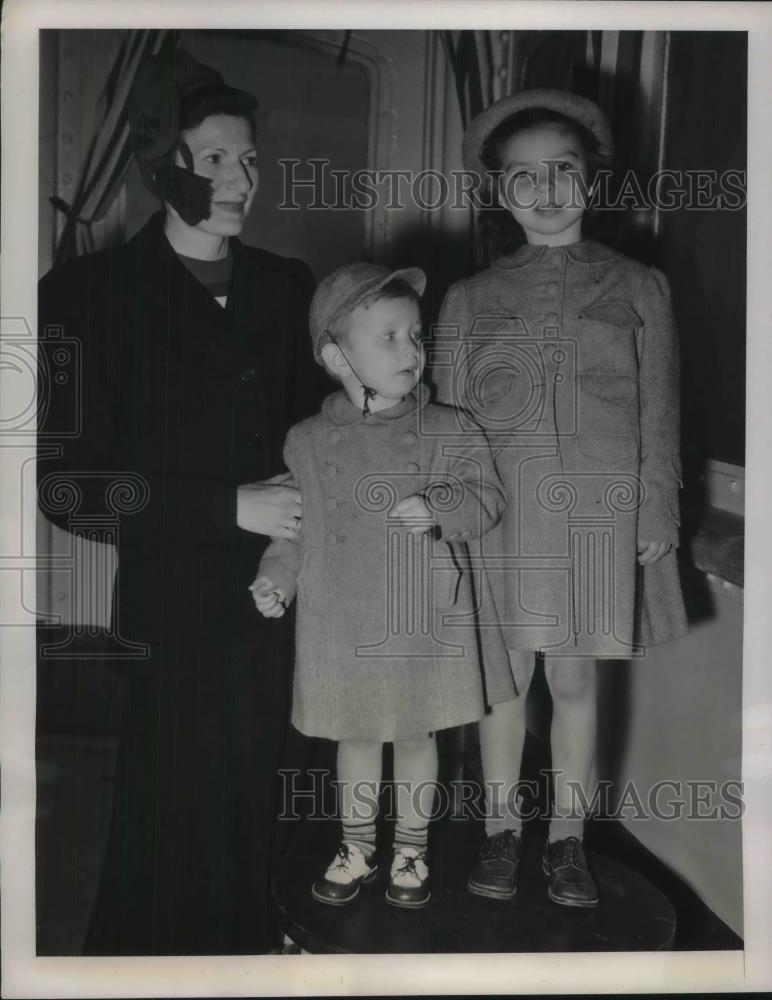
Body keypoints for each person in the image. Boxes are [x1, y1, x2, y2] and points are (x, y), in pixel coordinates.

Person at [37, 50, 328, 954]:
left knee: (294, 839)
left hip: (301, 616)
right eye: (214, 160)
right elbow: (67, 484)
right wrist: (225, 509)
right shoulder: (85, 296)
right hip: (178, 629)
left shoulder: (291, 290)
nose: (240, 180)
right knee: (177, 856)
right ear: (164, 164)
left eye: (248, 160)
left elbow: (329, 439)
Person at [433, 89, 687, 908]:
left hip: (594, 518)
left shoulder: (642, 285)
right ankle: (501, 833)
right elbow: (447, 422)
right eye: (524, 177)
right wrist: (446, 513)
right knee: (503, 683)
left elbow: (661, 408)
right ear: (499, 192)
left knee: (575, 683)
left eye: (564, 171)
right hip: (502, 515)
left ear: (592, 180)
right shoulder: (468, 298)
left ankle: (569, 842)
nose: (546, 191)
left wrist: (658, 507)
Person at [250, 262, 517, 909]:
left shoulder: (450, 429)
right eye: (389, 338)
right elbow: (294, 526)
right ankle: (357, 844)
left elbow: (487, 500)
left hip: (420, 616)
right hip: (340, 618)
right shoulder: (308, 442)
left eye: (416, 335)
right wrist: (274, 577)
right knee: (355, 736)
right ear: (337, 357)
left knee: (416, 735)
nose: (411, 350)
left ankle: (412, 848)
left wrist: (441, 507)